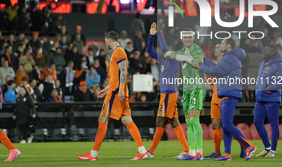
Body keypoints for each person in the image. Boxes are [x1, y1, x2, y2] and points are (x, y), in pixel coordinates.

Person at [77, 31, 148, 161]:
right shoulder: (116, 53)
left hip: (116, 93)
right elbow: (116, 76)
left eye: (105, 41)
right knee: (127, 120)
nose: (105, 43)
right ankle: (142, 151)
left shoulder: (118, 51)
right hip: (117, 90)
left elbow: (123, 72)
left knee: (102, 119)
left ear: (109, 40)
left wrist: (119, 89)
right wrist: (106, 88)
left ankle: (93, 154)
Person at [194, 38, 256, 161]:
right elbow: (216, 66)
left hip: (229, 92)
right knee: (226, 124)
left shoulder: (229, 57)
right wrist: (204, 58)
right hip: (228, 92)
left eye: (221, 44)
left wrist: (199, 65)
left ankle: (249, 145)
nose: (219, 45)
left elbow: (214, 70)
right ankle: (227, 154)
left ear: (228, 46)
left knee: (227, 124)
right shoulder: (230, 57)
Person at [146, 20, 189, 158]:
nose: (162, 51)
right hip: (168, 93)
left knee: (161, 120)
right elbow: (149, 51)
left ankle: (150, 152)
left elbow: (164, 49)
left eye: (165, 50)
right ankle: (186, 150)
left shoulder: (173, 59)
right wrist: (152, 36)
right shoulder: (164, 60)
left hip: (169, 93)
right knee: (172, 121)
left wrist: (159, 32)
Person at [164, 28, 205, 161]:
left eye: (189, 37)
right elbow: (166, 55)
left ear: (193, 38)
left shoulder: (197, 49)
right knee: (188, 121)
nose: (187, 39)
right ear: (182, 38)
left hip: (197, 87)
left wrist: (184, 58)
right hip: (186, 89)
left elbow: (199, 63)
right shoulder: (180, 51)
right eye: (185, 37)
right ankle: (192, 152)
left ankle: (199, 152)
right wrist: (172, 54)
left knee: (194, 120)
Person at [204, 43, 246, 159]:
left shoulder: (227, 62)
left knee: (227, 125)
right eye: (215, 47)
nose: (215, 49)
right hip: (215, 95)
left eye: (218, 47)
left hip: (225, 95)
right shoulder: (216, 63)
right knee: (215, 124)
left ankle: (243, 144)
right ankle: (217, 152)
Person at [254, 44, 282, 158]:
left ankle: (273, 151)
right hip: (260, 99)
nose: (264, 50)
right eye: (264, 48)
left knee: (273, 124)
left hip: (271, 98)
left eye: (267, 49)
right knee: (257, 122)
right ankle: (267, 147)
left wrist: (268, 88)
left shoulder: (278, 65)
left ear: (273, 52)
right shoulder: (263, 63)